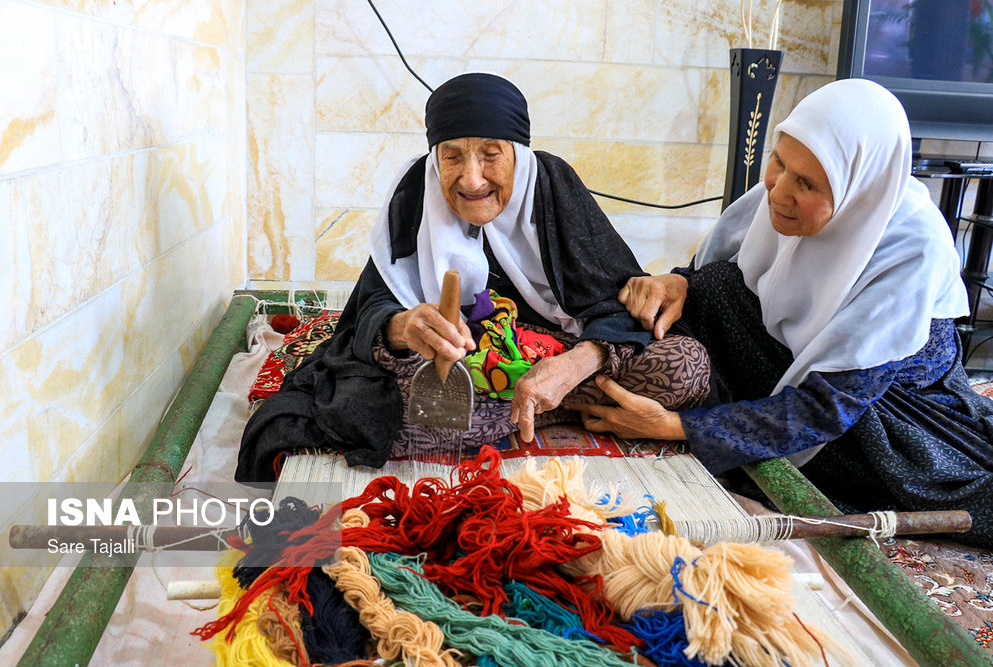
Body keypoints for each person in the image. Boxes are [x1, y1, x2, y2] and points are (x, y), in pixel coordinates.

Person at [579, 78, 993, 548]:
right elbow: (717, 271)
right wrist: (678, 282)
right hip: (797, 356)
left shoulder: (910, 250)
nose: (777, 192)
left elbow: (828, 407)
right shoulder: (777, 197)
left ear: (856, 189)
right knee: (712, 288)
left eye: (808, 184)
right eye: (778, 161)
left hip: (880, 406)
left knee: (942, 487)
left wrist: (675, 429)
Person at [236, 72, 710, 481]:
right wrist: (405, 328)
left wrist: (572, 366)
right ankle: (545, 414)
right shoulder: (416, 194)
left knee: (685, 364)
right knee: (381, 400)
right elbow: (373, 308)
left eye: (490, 154)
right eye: (453, 156)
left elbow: (615, 295)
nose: (472, 179)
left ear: (518, 154)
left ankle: (543, 403)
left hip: (556, 358)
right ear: (434, 158)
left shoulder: (552, 185)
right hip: (465, 368)